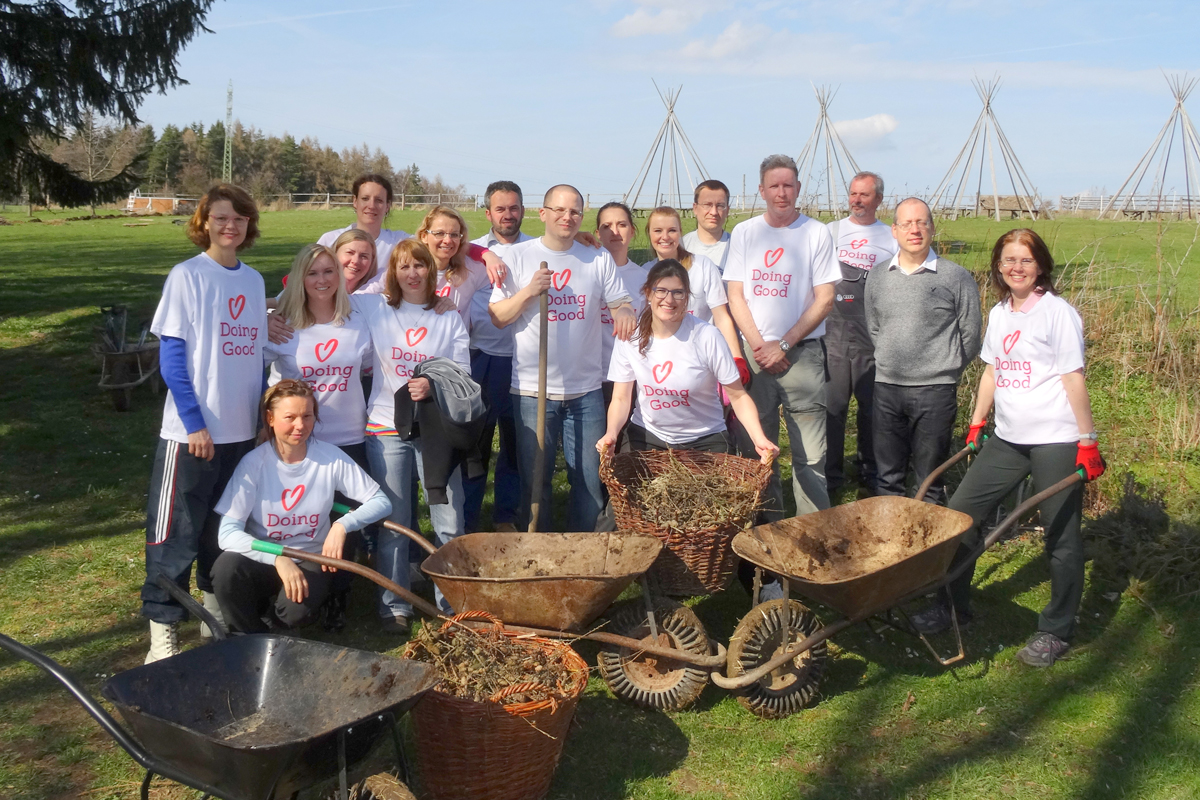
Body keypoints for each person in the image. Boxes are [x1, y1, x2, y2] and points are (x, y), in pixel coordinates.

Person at [910, 229, 1106, 668]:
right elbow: (993, 372)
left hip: (1056, 439)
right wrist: (979, 420)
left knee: (1061, 534)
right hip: (1007, 438)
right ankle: (952, 604)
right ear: (999, 265)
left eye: (1026, 261)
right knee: (959, 518)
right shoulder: (1000, 313)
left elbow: (1074, 378)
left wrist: (1087, 441)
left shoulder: (1058, 314)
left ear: (1041, 267)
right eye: (1008, 260)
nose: (1016, 268)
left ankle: (1056, 631)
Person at [141, 183, 268, 663]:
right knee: (175, 536)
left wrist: (258, 418)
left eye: (238, 218)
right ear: (204, 222)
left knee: (221, 532)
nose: (229, 226)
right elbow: (172, 358)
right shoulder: (187, 276)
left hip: (239, 435)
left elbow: (254, 355)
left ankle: (212, 622)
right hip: (192, 436)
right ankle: (163, 632)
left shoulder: (252, 282)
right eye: (220, 218)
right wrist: (195, 424)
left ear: (248, 225)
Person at [489, 184, 637, 533]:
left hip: (585, 390)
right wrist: (529, 292)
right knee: (535, 480)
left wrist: (625, 312)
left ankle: (581, 554)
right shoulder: (519, 256)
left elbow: (620, 301)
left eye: (574, 211)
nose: (566, 217)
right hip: (531, 390)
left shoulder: (596, 257)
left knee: (587, 479)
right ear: (543, 214)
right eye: (559, 210)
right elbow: (498, 317)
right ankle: (539, 553)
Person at [212, 380, 391, 634]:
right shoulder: (253, 463)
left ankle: (283, 622)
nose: (300, 425)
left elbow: (381, 502)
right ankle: (248, 639)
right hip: (264, 558)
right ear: (270, 419)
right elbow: (227, 534)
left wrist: (341, 525)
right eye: (290, 417)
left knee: (294, 613)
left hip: (311, 558)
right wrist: (277, 556)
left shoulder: (330, 457)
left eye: (307, 416)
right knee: (226, 569)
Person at [357, 239, 471, 633]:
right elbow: (321, 296)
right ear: (393, 272)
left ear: (430, 270)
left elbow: (463, 375)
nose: (412, 274)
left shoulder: (447, 316)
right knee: (395, 522)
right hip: (386, 428)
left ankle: (452, 607)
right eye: (403, 266)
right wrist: (271, 314)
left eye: (419, 266)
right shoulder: (374, 307)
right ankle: (395, 605)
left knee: (449, 520)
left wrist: (431, 383)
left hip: (436, 431)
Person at [264, 243, 374, 629]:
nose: (322, 280)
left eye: (329, 271)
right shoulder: (282, 327)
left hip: (348, 437)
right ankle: (287, 586)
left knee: (346, 523)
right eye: (313, 273)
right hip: (297, 442)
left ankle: (338, 595)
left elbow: (372, 366)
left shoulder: (357, 323)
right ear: (299, 279)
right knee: (304, 518)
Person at [725, 155, 840, 520]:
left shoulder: (816, 233)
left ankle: (812, 532)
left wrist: (784, 344)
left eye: (788, 185)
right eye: (774, 186)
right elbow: (735, 294)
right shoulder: (746, 232)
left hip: (802, 356)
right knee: (759, 451)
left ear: (798, 189)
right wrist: (759, 346)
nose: (781, 193)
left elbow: (825, 299)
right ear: (761, 190)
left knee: (811, 455)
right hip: (755, 353)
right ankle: (769, 530)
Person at [598, 259, 778, 463]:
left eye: (678, 292)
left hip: (704, 439)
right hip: (648, 436)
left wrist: (759, 438)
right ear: (648, 293)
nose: (669, 299)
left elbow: (737, 396)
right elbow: (621, 398)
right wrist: (611, 433)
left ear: (687, 297)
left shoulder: (707, 336)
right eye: (661, 290)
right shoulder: (631, 338)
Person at [865, 198, 982, 505]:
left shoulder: (956, 277)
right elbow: (874, 327)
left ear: (932, 228)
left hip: (935, 391)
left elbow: (970, 335)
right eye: (907, 223)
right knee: (888, 477)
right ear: (894, 230)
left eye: (921, 222)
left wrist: (944, 368)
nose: (914, 230)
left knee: (929, 479)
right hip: (887, 388)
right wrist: (891, 360)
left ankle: (929, 549)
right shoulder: (877, 276)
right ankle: (891, 547)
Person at [824, 171, 898, 495]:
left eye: (864, 195)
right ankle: (831, 476)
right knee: (834, 406)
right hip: (835, 331)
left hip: (873, 332)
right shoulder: (830, 232)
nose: (856, 200)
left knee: (872, 408)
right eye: (853, 194)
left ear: (878, 199)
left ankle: (870, 473)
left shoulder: (891, 237)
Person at [463, 181, 530, 533]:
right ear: (488, 213)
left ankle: (506, 516)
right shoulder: (471, 251)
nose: (508, 215)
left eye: (514, 207)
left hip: (522, 360)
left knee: (515, 444)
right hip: (481, 358)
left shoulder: (535, 248)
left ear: (523, 209)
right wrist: (483, 252)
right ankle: (469, 519)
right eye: (500, 209)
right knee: (476, 444)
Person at [643, 206, 747, 383]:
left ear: (680, 233)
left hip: (700, 361)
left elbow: (721, 317)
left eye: (672, 230)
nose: (665, 237)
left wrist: (736, 359)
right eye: (658, 231)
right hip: (660, 363)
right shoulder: (644, 272)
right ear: (649, 234)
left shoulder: (703, 266)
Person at [594, 201, 649, 388]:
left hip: (628, 376)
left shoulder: (644, 278)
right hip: (590, 378)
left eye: (622, 225)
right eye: (607, 226)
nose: (615, 231)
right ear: (597, 234)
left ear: (632, 231)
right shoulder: (586, 270)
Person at [417, 205, 492, 326]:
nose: (447, 240)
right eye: (440, 233)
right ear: (424, 236)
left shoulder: (471, 269)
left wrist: (489, 255)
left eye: (454, 235)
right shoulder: (410, 271)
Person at [682, 179, 733, 274]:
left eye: (720, 206)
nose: (714, 212)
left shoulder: (737, 247)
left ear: (727, 210)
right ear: (695, 208)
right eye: (707, 205)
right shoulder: (681, 247)